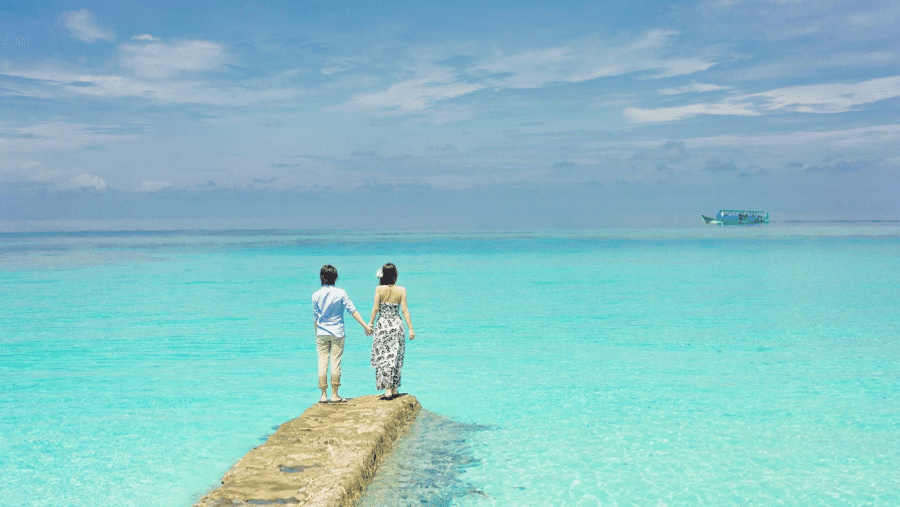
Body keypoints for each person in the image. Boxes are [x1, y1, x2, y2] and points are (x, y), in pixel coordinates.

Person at [312, 265, 372, 403]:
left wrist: (317, 333)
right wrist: (365, 326)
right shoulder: (341, 293)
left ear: (321, 277)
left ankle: (323, 395)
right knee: (335, 362)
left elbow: (316, 317)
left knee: (322, 362)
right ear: (335, 277)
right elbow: (352, 310)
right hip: (337, 332)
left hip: (321, 333)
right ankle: (334, 394)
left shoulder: (315, 295)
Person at [368, 263, 415, 400]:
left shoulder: (379, 289)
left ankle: (387, 389)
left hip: (383, 324)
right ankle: (394, 387)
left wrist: (370, 324)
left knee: (383, 356)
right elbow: (404, 310)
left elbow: (376, 308)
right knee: (395, 356)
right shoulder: (402, 290)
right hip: (396, 324)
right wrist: (411, 329)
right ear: (395, 275)